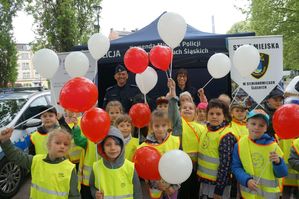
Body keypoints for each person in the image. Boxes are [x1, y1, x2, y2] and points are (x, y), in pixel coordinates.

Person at [0, 128, 80, 198]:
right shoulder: (36, 160)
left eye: (66, 144)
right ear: (48, 145)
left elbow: (74, 195)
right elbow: (17, 156)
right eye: (58, 143)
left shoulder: (69, 168)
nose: (62, 146)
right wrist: (5, 141)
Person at [231, 109, 288, 199]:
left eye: (261, 125)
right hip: (248, 195)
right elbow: (236, 167)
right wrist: (246, 180)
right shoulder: (240, 144)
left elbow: (283, 173)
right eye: (253, 124)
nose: (256, 127)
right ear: (247, 124)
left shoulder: (273, 146)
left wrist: (278, 162)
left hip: (269, 196)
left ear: (265, 128)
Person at [167, 78, 204, 199]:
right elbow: (172, 110)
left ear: (196, 113)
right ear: (180, 111)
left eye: (191, 108)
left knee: (194, 192)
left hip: (196, 168)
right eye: (184, 108)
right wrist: (172, 91)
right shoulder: (178, 123)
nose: (187, 109)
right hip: (180, 165)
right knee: (183, 194)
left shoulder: (202, 127)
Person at [197, 99, 237, 199]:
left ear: (225, 116)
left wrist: (219, 191)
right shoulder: (206, 129)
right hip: (205, 181)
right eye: (211, 113)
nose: (214, 116)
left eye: (218, 114)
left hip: (219, 185)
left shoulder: (226, 136)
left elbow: (225, 166)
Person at [89, 127, 143, 199]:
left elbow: (138, 193)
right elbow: (92, 186)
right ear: (102, 148)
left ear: (122, 146)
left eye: (117, 144)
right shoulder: (96, 167)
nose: (113, 148)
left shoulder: (130, 167)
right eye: (108, 144)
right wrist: (95, 194)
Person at [139, 110, 180, 199]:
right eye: (157, 126)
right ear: (151, 127)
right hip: (155, 186)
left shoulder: (175, 141)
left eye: (163, 125)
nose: (160, 129)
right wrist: (156, 183)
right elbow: (144, 170)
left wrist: (174, 186)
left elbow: (181, 165)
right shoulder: (145, 147)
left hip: (172, 186)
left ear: (168, 125)